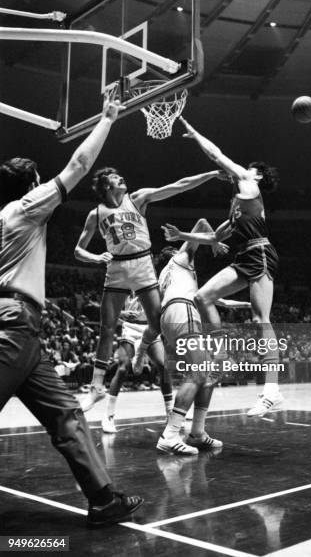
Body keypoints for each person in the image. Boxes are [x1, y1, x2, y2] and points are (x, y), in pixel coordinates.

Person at [0, 94, 142, 527]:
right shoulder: (24, 209)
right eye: (39, 180)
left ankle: (104, 500)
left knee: (67, 415)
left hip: (26, 330)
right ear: (31, 185)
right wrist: (107, 119)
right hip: (13, 323)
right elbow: (77, 168)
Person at [75, 162, 224, 412]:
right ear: (105, 185)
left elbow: (177, 186)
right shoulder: (96, 214)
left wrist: (209, 174)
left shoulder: (138, 198)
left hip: (143, 264)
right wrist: (95, 257)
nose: (121, 177)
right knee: (107, 326)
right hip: (117, 268)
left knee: (157, 324)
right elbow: (78, 250)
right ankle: (96, 387)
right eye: (115, 176)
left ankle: (150, 354)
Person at [162, 116, 284, 417]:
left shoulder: (249, 185)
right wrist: (182, 236)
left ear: (256, 176)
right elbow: (215, 237)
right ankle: (220, 349)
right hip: (243, 258)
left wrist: (194, 131)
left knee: (260, 320)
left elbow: (216, 155)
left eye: (248, 168)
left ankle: (272, 390)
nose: (242, 169)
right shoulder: (237, 205)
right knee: (201, 297)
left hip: (260, 254)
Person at [157, 219, 247, 455]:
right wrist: (214, 240)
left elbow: (208, 297)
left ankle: (197, 432)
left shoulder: (167, 278)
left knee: (208, 372)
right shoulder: (180, 257)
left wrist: (236, 303)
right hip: (182, 312)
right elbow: (201, 223)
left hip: (171, 318)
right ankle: (170, 434)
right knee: (199, 370)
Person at [102, 291, 174, 433]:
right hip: (129, 328)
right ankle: (108, 415)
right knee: (123, 368)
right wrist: (122, 313)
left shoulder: (155, 287)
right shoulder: (125, 285)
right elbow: (108, 308)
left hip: (149, 328)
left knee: (164, 366)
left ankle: (170, 413)